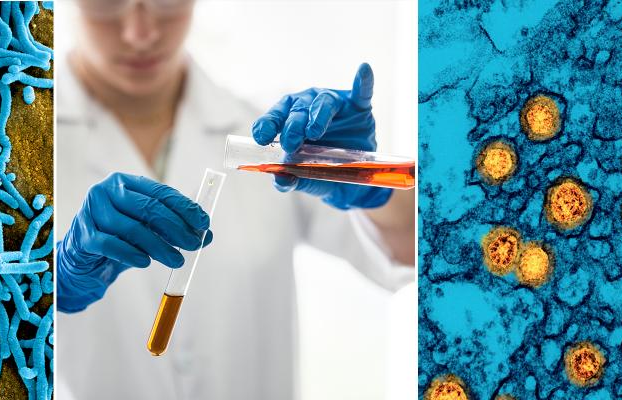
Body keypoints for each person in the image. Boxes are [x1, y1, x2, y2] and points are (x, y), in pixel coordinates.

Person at [54, 0, 417, 398]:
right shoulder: (8, 151)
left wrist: (369, 184)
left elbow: (416, 247)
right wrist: (53, 286)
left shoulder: (272, 137)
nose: (141, 34)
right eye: (106, 4)